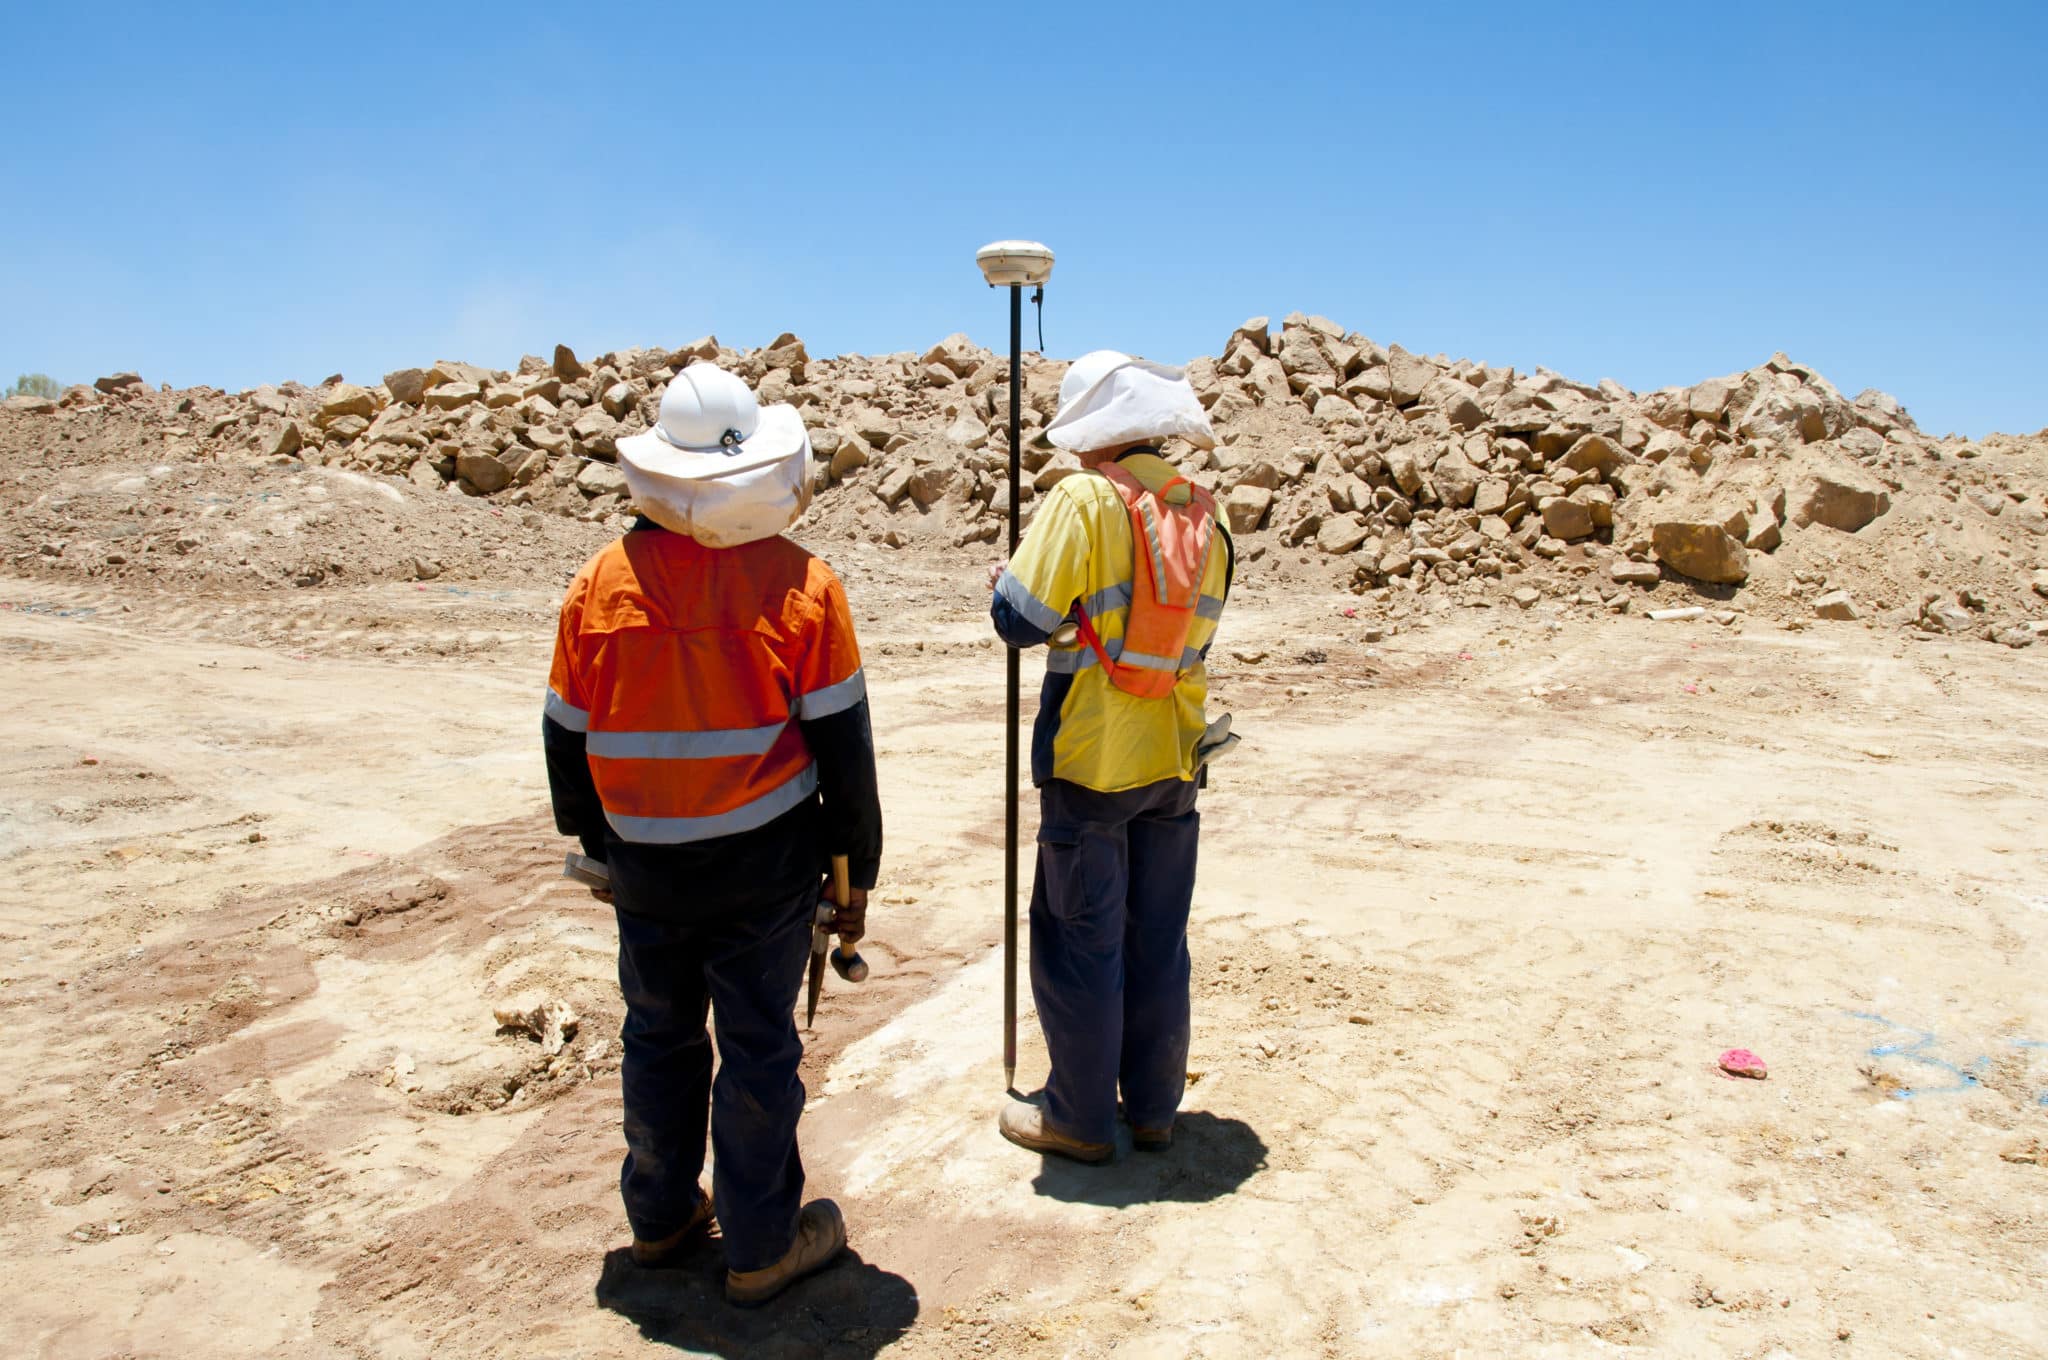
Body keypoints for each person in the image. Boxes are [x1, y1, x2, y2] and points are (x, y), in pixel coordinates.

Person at [544, 362, 882, 1305]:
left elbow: (565, 737)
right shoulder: (803, 583)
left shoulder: (598, 583)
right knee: (759, 1046)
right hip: (762, 867)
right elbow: (844, 751)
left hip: (647, 868)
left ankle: (659, 1221)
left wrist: (600, 845)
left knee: (657, 1037)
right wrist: (856, 873)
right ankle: (762, 1245)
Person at [989, 350, 1233, 1162]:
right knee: (1156, 938)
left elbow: (1019, 621)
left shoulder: (1084, 501)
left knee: (1079, 939)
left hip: (1092, 759)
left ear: (1088, 433)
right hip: (1175, 757)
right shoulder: (1208, 513)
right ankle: (1154, 1109)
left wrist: (1012, 584)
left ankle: (1079, 1119)